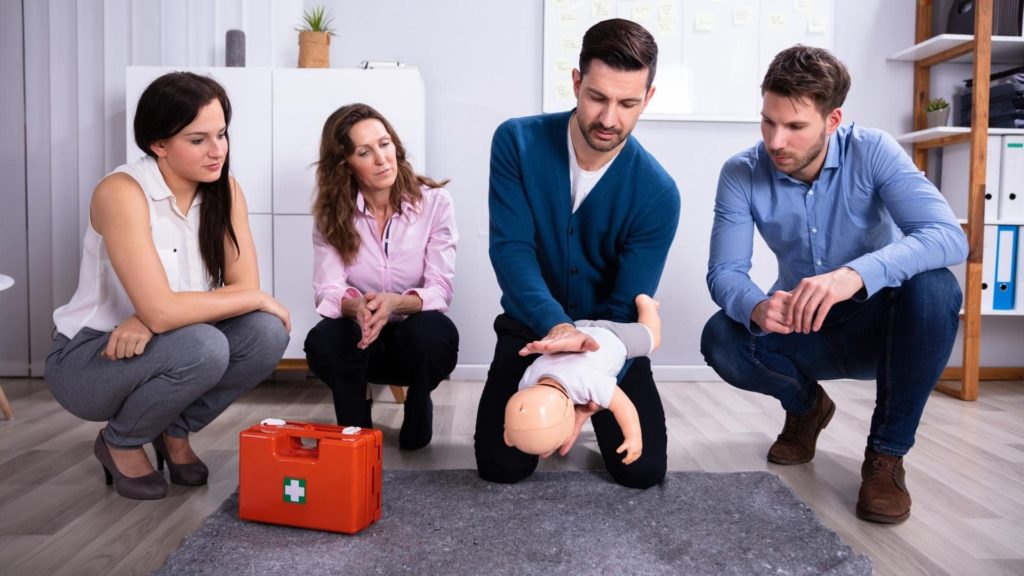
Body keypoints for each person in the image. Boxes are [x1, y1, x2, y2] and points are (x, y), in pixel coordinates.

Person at [701, 45, 968, 524]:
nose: (776, 141)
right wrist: (759, 308)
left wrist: (854, 275)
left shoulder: (875, 150)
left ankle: (886, 456)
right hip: (803, 329)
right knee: (721, 336)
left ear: (833, 119)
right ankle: (806, 408)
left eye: (795, 126)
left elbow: (949, 237)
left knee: (936, 288)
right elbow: (725, 273)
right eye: (768, 121)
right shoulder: (741, 172)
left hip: (880, 327)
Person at [45, 72, 291, 500]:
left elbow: (235, 287)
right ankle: (119, 441)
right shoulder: (121, 191)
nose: (217, 151)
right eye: (198, 140)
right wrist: (164, 314)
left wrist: (155, 317)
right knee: (205, 344)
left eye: (221, 134)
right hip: (90, 357)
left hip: (167, 341)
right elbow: (235, 294)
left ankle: (172, 431)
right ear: (158, 144)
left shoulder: (225, 191)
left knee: (267, 332)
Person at [475, 18, 680, 489]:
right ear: (575, 83)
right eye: (597, 97)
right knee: (501, 466)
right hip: (532, 331)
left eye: (628, 103)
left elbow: (628, 305)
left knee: (643, 472)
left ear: (647, 99)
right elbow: (511, 252)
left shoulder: (658, 193)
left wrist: (587, 384)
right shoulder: (516, 142)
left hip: (608, 342)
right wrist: (559, 330)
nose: (609, 118)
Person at [303, 103, 459, 451]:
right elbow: (328, 290)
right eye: (364, 151)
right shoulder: (331, 216)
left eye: (384, 144)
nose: (382, 159)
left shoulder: (435, 203)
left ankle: (419, 401)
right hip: (362, 339)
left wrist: (396, 303)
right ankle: (356, 418)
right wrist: (358, 306)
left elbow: (440, 288)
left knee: (434, 332)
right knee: (323, 340)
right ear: (345, 163)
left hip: (412, 341)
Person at [505, 295, 662, 466]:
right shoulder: (528, 380)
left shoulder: (587, 381)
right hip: (577, 328)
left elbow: (623, 406)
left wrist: (634, 437)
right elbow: (519, 409)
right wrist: (511, 429)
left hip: (612, 335)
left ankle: (647, 305)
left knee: (653, 337)